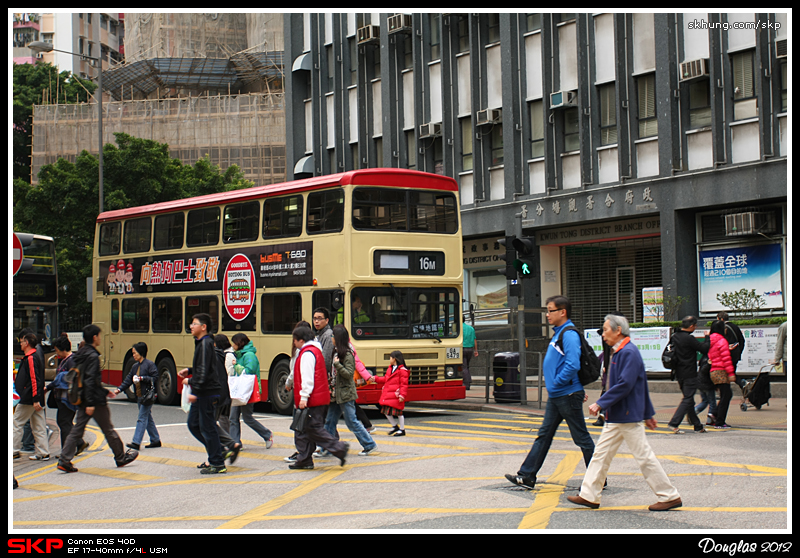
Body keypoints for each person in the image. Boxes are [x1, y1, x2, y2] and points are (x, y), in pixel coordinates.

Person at [567, 314, 682, 512]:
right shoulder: (620, 351)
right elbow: (640, 384)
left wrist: (601, 403)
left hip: (626, 415)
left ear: (617, 330)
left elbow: (626, 384)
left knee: (643, 457)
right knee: (600, 456)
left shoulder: (628, 352)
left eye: (605, 330)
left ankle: (669, 496)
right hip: (619, 415)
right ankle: (589, 495)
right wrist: (648, 413)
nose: (603, 334)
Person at [505, 295, 595, 490]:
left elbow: (573, 364)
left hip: (567, 393)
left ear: (562, 312)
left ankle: (598, 477)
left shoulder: (568, 334)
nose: (547, 314)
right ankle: (527, 475)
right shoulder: (559, 332)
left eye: (551, 310)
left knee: (581, 437)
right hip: (559, 394)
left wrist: (558, 382)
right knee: (544, 435)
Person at [57, 325, 138, 473]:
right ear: (94, 337)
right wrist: (91, 402)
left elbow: (86, 379)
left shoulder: (80, 353)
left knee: (77, 430)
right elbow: (90, 380)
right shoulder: (93, 356)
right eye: (99, 336)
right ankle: (120, 457)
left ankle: (64, 459)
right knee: (108, 429)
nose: (100, 338)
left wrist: (104, 391)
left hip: (83, 397)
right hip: (94, 400)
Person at [289, 324, 349, 469]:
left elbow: (308, 377)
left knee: (313, 429)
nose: (294, 343)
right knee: (303, 430)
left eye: (295, 340)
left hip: (312, 399)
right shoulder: (315, 351)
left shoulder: (307, 354)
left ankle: (338, 448)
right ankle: (305, 459)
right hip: (318, 397)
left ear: (301, 340)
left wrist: (304, 397)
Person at [179, 313, 226, 474]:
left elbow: (205, 371)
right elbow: (203, 367)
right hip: (203, 391)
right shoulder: (202, 343)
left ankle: (217, 462)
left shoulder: (206, 344)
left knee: (208, 427)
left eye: (194, 323)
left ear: (203, 327)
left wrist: (194, 388)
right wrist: (190, 371)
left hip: (206, 392)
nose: (191, 326)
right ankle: (218, 451)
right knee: (194, 424)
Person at [324, 325, 377, 455]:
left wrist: (337, 364)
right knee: (329, 421)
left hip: (345, 393)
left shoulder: (347, 354)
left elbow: (348, 374)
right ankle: (327, 447)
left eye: (333, 336)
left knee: (351, 421)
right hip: (336, 393)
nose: (331, 338)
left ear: (338, 338)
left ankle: (369, 444)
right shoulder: (336, 352)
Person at [229, 333, 273, 450]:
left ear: (240, 343)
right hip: (239, 390)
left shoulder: (249, 355)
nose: (233, 345)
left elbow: (249, 372)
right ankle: (235, 443)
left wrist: (236, 365)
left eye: (234, 343)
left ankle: (267, 434)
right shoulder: (240, 355)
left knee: (247, 417)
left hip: (246, 391)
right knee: (233, 417)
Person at [666, 316, 710, 434]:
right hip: (689, 372)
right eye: (695, 326)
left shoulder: (674, 337)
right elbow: (704, 349)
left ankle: (697, 426)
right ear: (691, 326)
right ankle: (674, 422)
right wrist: (707, 337)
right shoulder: (689, 339)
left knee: (689, 400)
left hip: (678, 372)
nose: (695, 328)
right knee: (688, 398)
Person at [114, 342, 161, 450]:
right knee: (147, 418)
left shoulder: (149, 364)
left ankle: (136, 442)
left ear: (141, 353)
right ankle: (155, 439)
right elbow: (128, 379)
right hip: (139, 396)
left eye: (135, 353)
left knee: (142, 418)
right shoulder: (135, 366)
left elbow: (155, 377)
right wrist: (119, 389)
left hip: (147, 396)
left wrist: (142, 378)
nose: (133, 355)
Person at [46, 335, 88, 456]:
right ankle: (79, 443)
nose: (56, 353)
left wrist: (52, 385)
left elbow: (71, 378)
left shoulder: (71, 360)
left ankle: (66, 451)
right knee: (65, 422)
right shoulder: (66, 360)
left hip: (68, 398)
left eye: (57, 350)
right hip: (64, 398)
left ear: (62, 348)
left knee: (64, 422)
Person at [13, 332, 50, 461]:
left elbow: (35, 379)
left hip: (29, 398)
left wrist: (34, 399)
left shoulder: (30, 358)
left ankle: (13, 450)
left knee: (17, 423)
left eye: (22, 341)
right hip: (34, 397)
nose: (20, 343)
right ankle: (43, 452)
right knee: (38, 425)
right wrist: (38, 398)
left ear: (27, 343)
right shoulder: (35, 356)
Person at [213, 334, 239, 463]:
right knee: (222, 418)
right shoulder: (226, 354)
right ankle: (230, 443)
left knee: (215, 421)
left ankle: (229, 444)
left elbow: (228, 373)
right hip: (224, 392)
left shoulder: (226, 355)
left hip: (223, 392)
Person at [708, 320, 736, 429]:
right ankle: (719, 421)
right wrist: (731, 373)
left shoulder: (710, 339)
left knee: (725, 395)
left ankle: (714, 414)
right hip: (721, 371)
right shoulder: (722, 341)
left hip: (713, 370)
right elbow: (726, 359)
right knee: (726, 395)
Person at [375, 350, 410, 436]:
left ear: (394, 359)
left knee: (399, 412)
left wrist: (402, 395)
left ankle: (402, 429)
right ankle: (395, 426)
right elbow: (386, 379)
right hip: (389, 394)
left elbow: (404, 384)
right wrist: (376, 379)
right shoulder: (390, 368)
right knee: (386, 411)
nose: (389, 359)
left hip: (396, 395)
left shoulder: (402, 370)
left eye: (390, 358)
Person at [462, 317, 478, 390]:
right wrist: (476, 350)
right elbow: (475, 340)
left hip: (462, 348)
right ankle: (468, 380)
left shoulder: (458, 328)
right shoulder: (471, 328)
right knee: (467, 366)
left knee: (464, 367)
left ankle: (466, 383)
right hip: (470, 349)